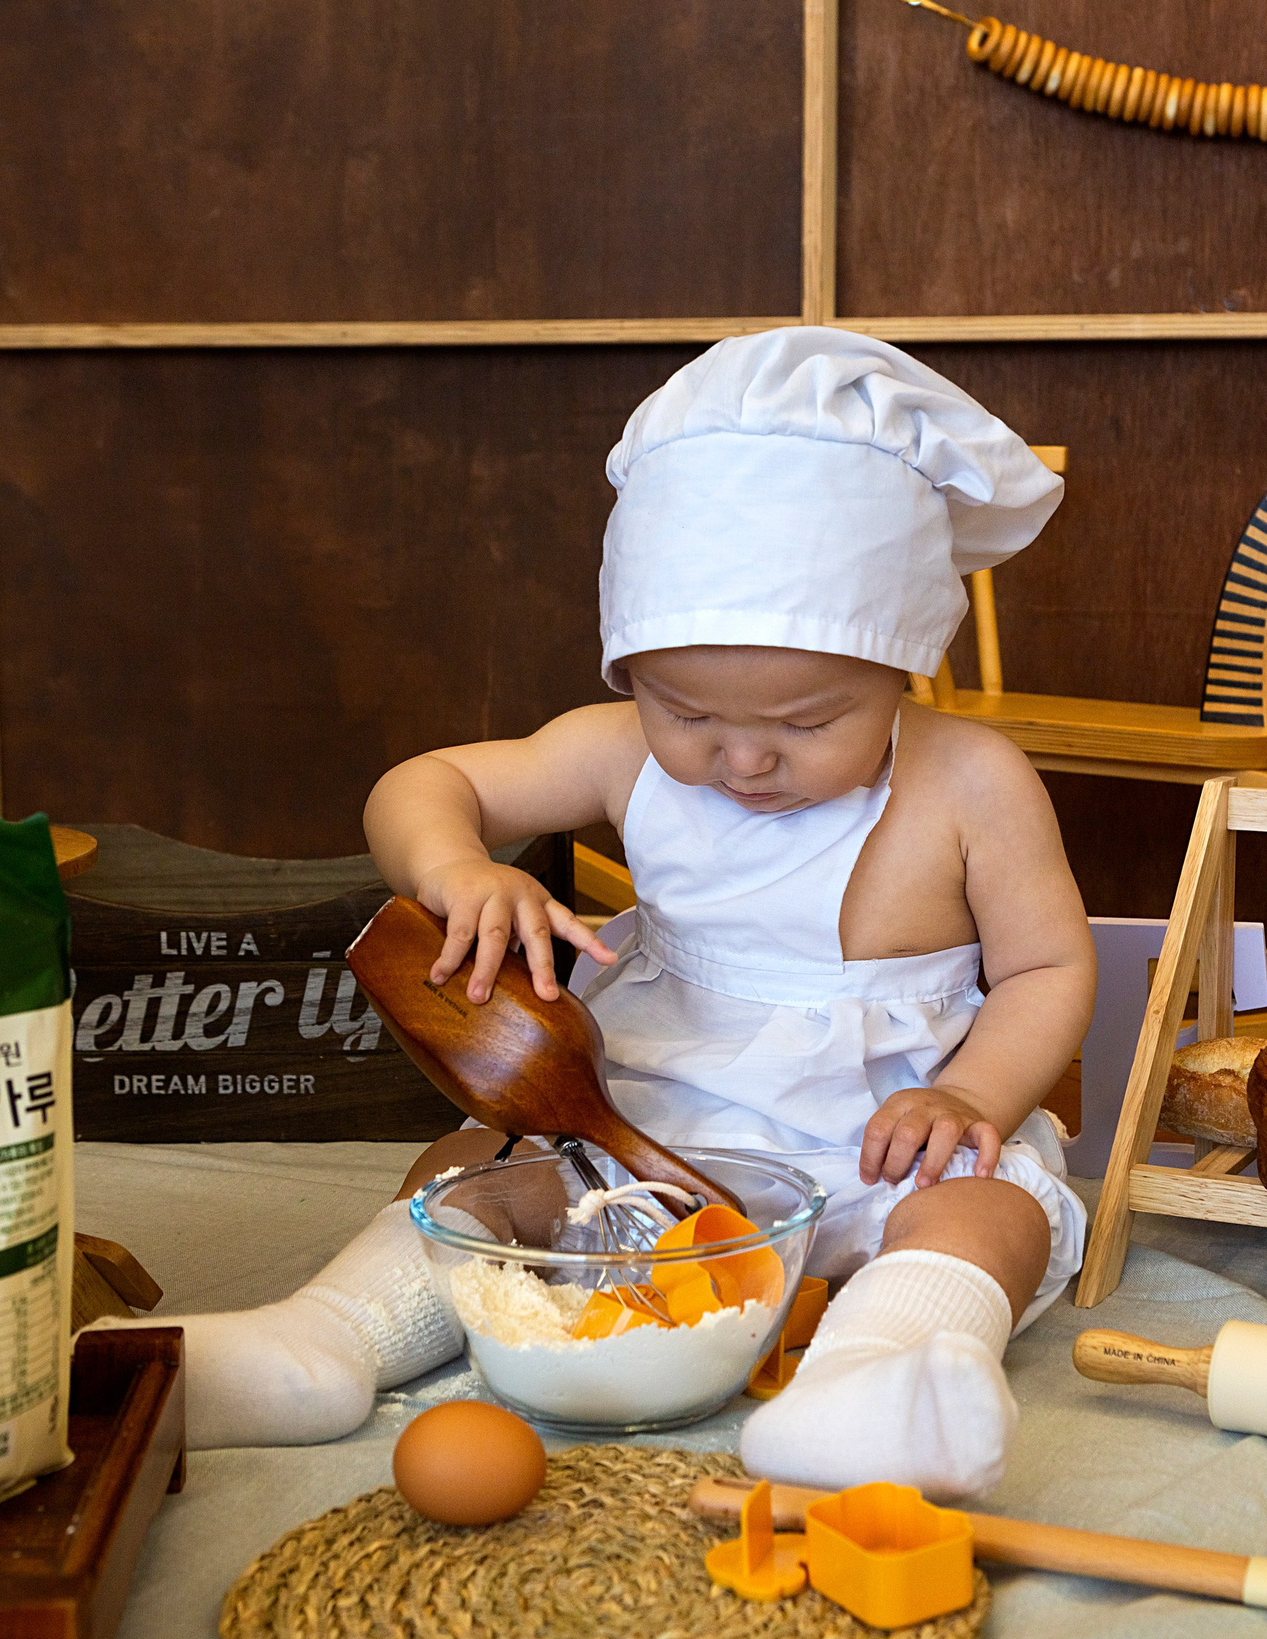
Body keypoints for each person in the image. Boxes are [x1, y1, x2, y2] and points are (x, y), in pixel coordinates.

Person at [130, 328, 1096, 1498]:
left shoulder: (971, 780)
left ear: (902, 666)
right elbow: (425, 786)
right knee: (480, 1176)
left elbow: (1046, 969)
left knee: (990, 1212)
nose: (742, 758)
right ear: (629, 670)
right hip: (636, 1121)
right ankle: (324, 1342)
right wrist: (458, 871)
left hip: (881, 1138)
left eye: (805, 723)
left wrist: (972, 1095)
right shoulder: (616, 754)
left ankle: (882, 1373)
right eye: (686, 708)